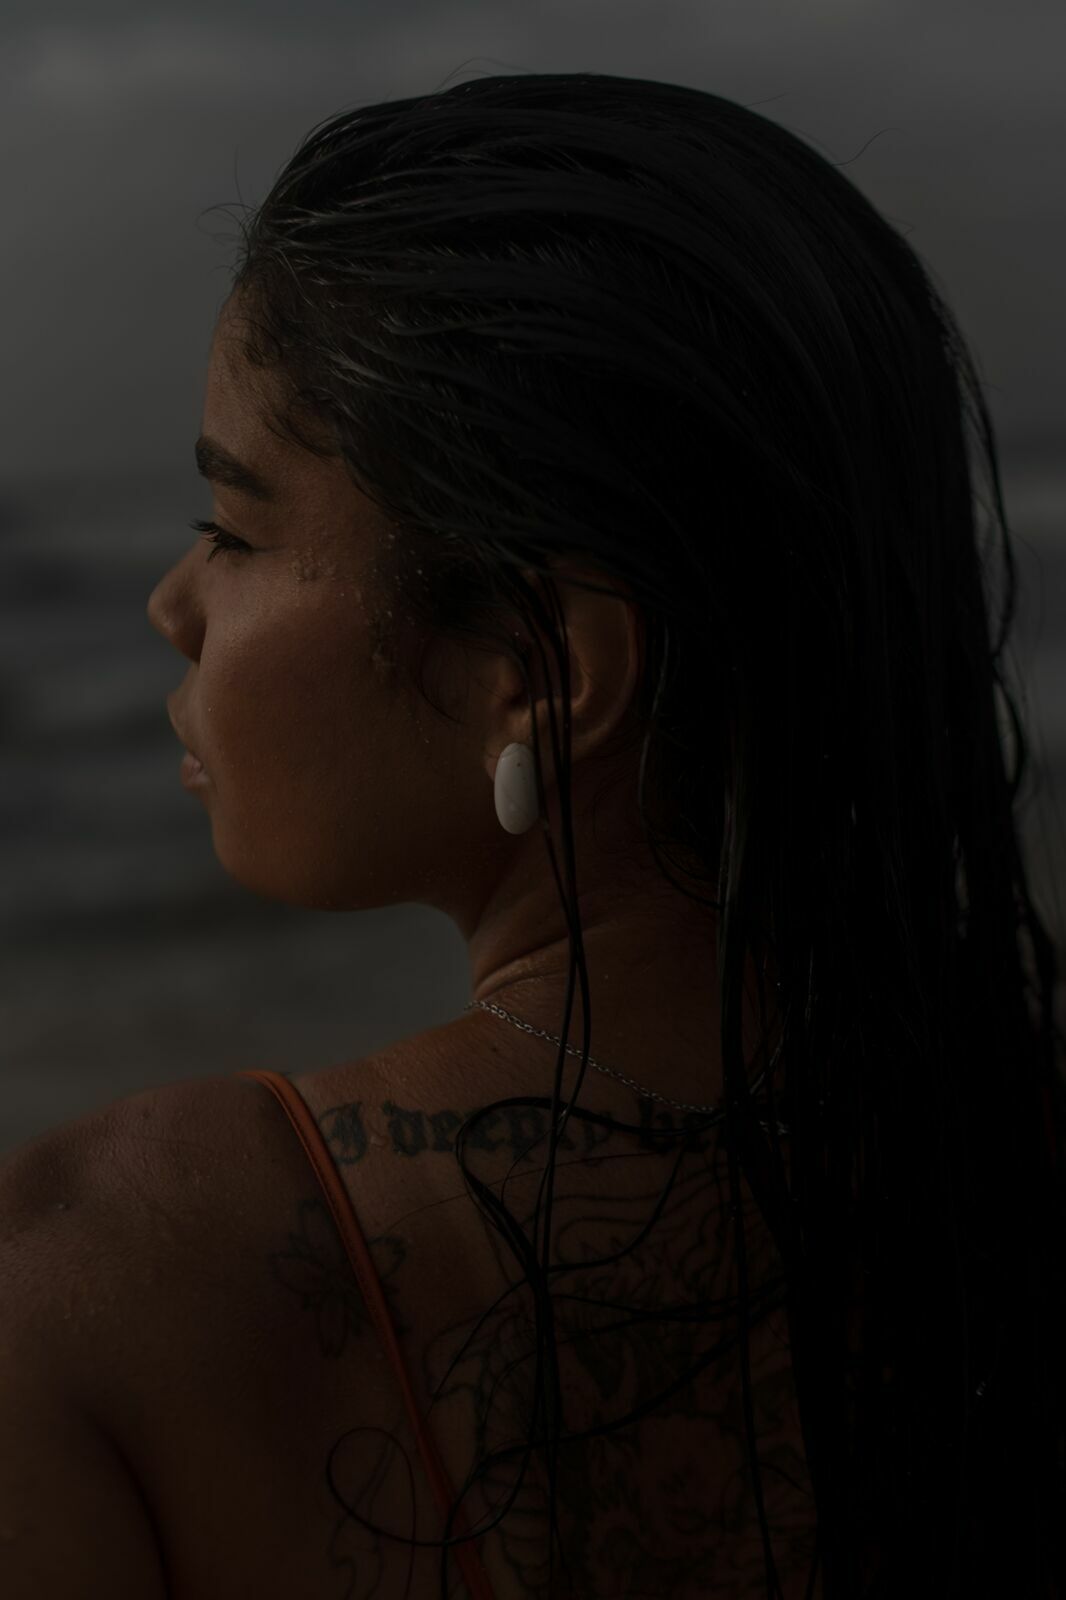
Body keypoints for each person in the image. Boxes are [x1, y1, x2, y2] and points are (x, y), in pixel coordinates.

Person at [6, 69, 1066, 1599]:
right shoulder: (1002, 1183)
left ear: (539, 667)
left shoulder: (98, 1275)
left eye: (235, 533)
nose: (173, 610)